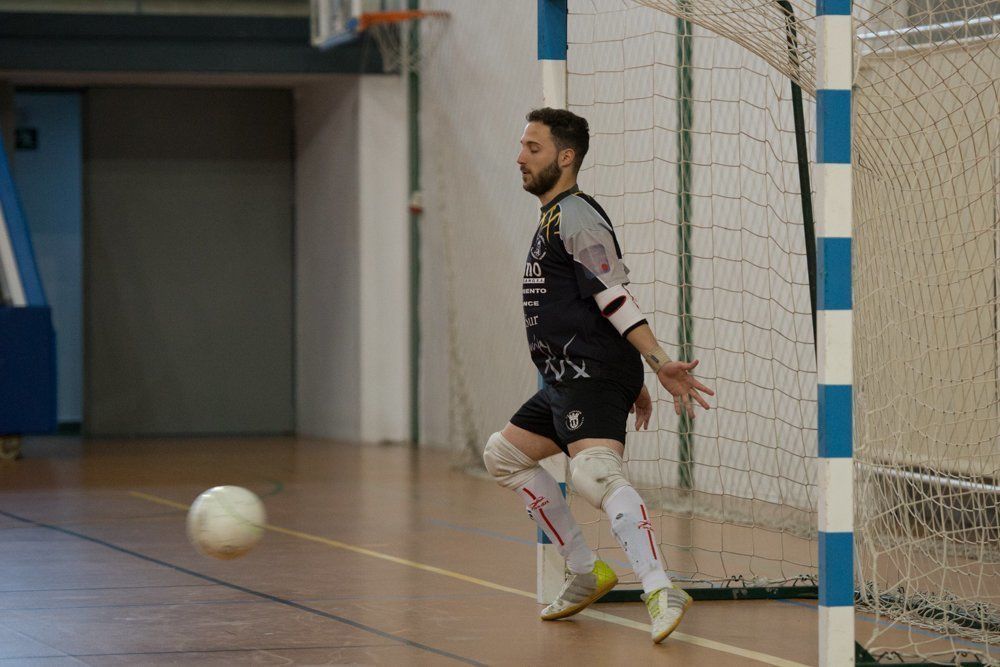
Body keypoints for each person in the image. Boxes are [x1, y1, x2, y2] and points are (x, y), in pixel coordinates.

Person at [483, 107, 714, 643]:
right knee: (504, 455)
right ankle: (587, 571)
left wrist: (656, 364)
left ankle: (659, 586)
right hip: (567, 378)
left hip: (591, 373)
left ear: (565, 157)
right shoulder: (551, 217)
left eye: (533, 148)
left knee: (594, 476)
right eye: (521, 146)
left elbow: (612, 296)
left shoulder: (577, 215)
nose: (520, 157)